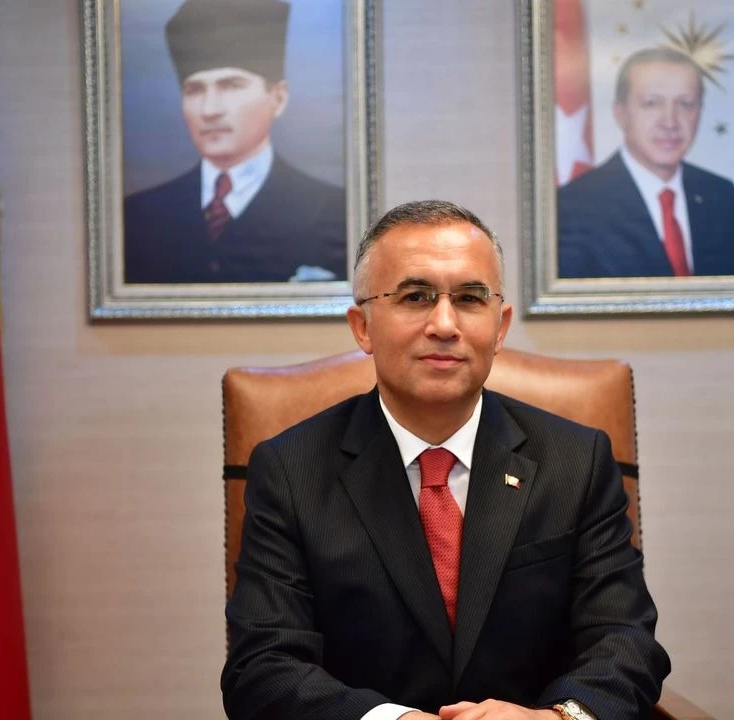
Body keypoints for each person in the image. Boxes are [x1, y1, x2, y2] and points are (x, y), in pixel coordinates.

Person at [222, 200, 670, 720]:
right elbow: (263, 667)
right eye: (415, 297)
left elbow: (625, 641)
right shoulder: (291, 471)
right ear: (362, 326)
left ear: (500, 327)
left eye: (470, 298)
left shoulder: (576, 461)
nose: (444, 324)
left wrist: (556, 718)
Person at [123, 0, 347, 284]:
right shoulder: (140, 215)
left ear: (278, 98)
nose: (209, 110)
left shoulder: (333, 210)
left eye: (231, 86)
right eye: (194, 90)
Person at [557, 47, 734, 279]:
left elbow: (730, 297)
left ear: (700, 111)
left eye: (685, 104)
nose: (670, 122)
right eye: (651, 103)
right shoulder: (574, 206)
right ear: (620, 113)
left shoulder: (719, 194)